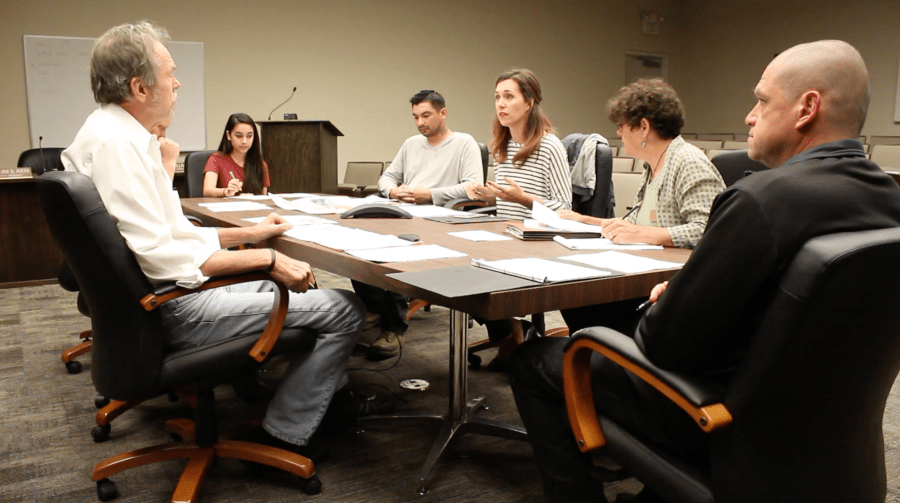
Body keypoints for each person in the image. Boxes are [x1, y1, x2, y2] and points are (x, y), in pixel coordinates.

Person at [509, 40, 900, 503]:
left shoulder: (761, 200)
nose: (750, 117)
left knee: (535, 361)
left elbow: (664, 345)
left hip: (719, 417)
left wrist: (671, 299)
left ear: (806, 108)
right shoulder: (890, 201)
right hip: (820, 432)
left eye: (760, 100)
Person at [61, 21, 381, 466]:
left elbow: (174, 234)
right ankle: (286, 432)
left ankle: (294, 391)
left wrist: (251, 235)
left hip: (154, 301)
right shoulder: (120, 147)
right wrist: (269, 259)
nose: (177, 82)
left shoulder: (110, 135)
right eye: (169, 73)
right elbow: (163, 257)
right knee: (345, 309)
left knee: (275, 289)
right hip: (175, 308)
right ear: (139, 86)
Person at [558, 79, 726, 335]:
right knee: (572, 292)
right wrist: (585, 221)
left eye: (622, 126)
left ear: (643, 127)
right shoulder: (652, 166)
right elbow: (633, 225)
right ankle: (590, 360)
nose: (619, 133)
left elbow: (713, 232)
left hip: (669, 292)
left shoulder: (688, 162)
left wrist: (645, 234)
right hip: (645, 275)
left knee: (579, 298)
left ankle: (597, 360)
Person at [359, 90, 483, 360]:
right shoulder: (411, 143)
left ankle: (393, 328)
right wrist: (392, 192)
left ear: (443, 113)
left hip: (438, 216)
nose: (420, 122)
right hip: (404, 209)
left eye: (426, 115)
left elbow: (474, 188)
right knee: (355, 236)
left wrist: (430, 194)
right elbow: (388, 177)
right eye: (415, 117)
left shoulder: (464, 143)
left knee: (395, 249)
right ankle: (375, 307)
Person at [466, 69, 572, 369]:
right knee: (459, 266)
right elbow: (506, 200)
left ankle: (512, 334)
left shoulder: (550, 146)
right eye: (497, 97)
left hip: (541, 240)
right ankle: (512, 331)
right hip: (507, 235)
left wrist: (523, 198)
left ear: (529, 102)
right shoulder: (503, 145)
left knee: (481, 274)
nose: (501, 103)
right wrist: (489, 196)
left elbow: (565, 208)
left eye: (509, 97)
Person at [203, 113, 270, 197]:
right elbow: (207, 191)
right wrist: (226, 192)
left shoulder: (261, 164)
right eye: (239, 136)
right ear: (228, 135)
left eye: (249, 136)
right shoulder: (216, 159)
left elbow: (263, 197)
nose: (244, 141)